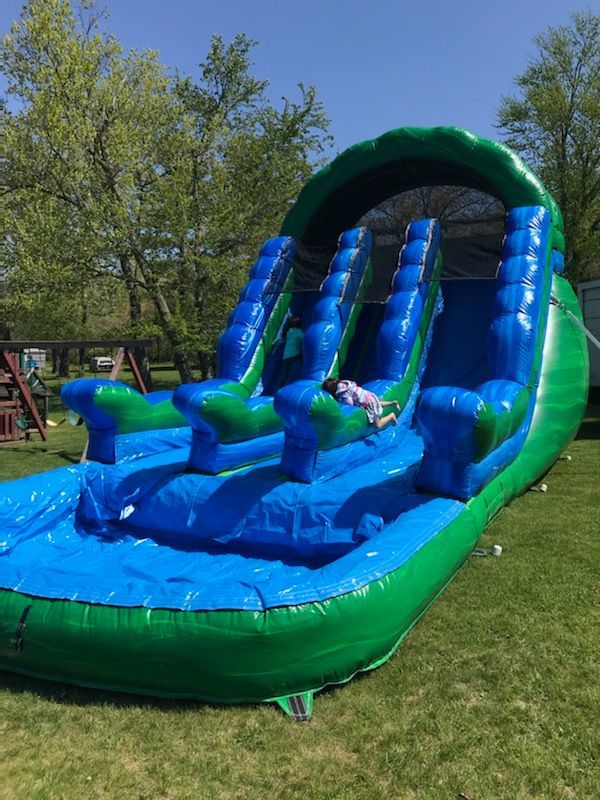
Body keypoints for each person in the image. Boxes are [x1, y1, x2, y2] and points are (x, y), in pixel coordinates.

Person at [322, 378, 400, 429]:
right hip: (369, 395)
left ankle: (391, 416)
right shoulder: (345, 384)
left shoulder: (342, 393)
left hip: (369, 403)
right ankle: (392, 403)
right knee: (377, 403)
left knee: (377, 425)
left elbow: (350, 403)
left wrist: (340, 400)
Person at [280, 315, 303, 385]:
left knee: (284, 374)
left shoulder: (288, 331)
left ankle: (281, 386)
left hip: (286, 356)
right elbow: (306, 338)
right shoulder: (297, 331)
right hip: (294, 356)